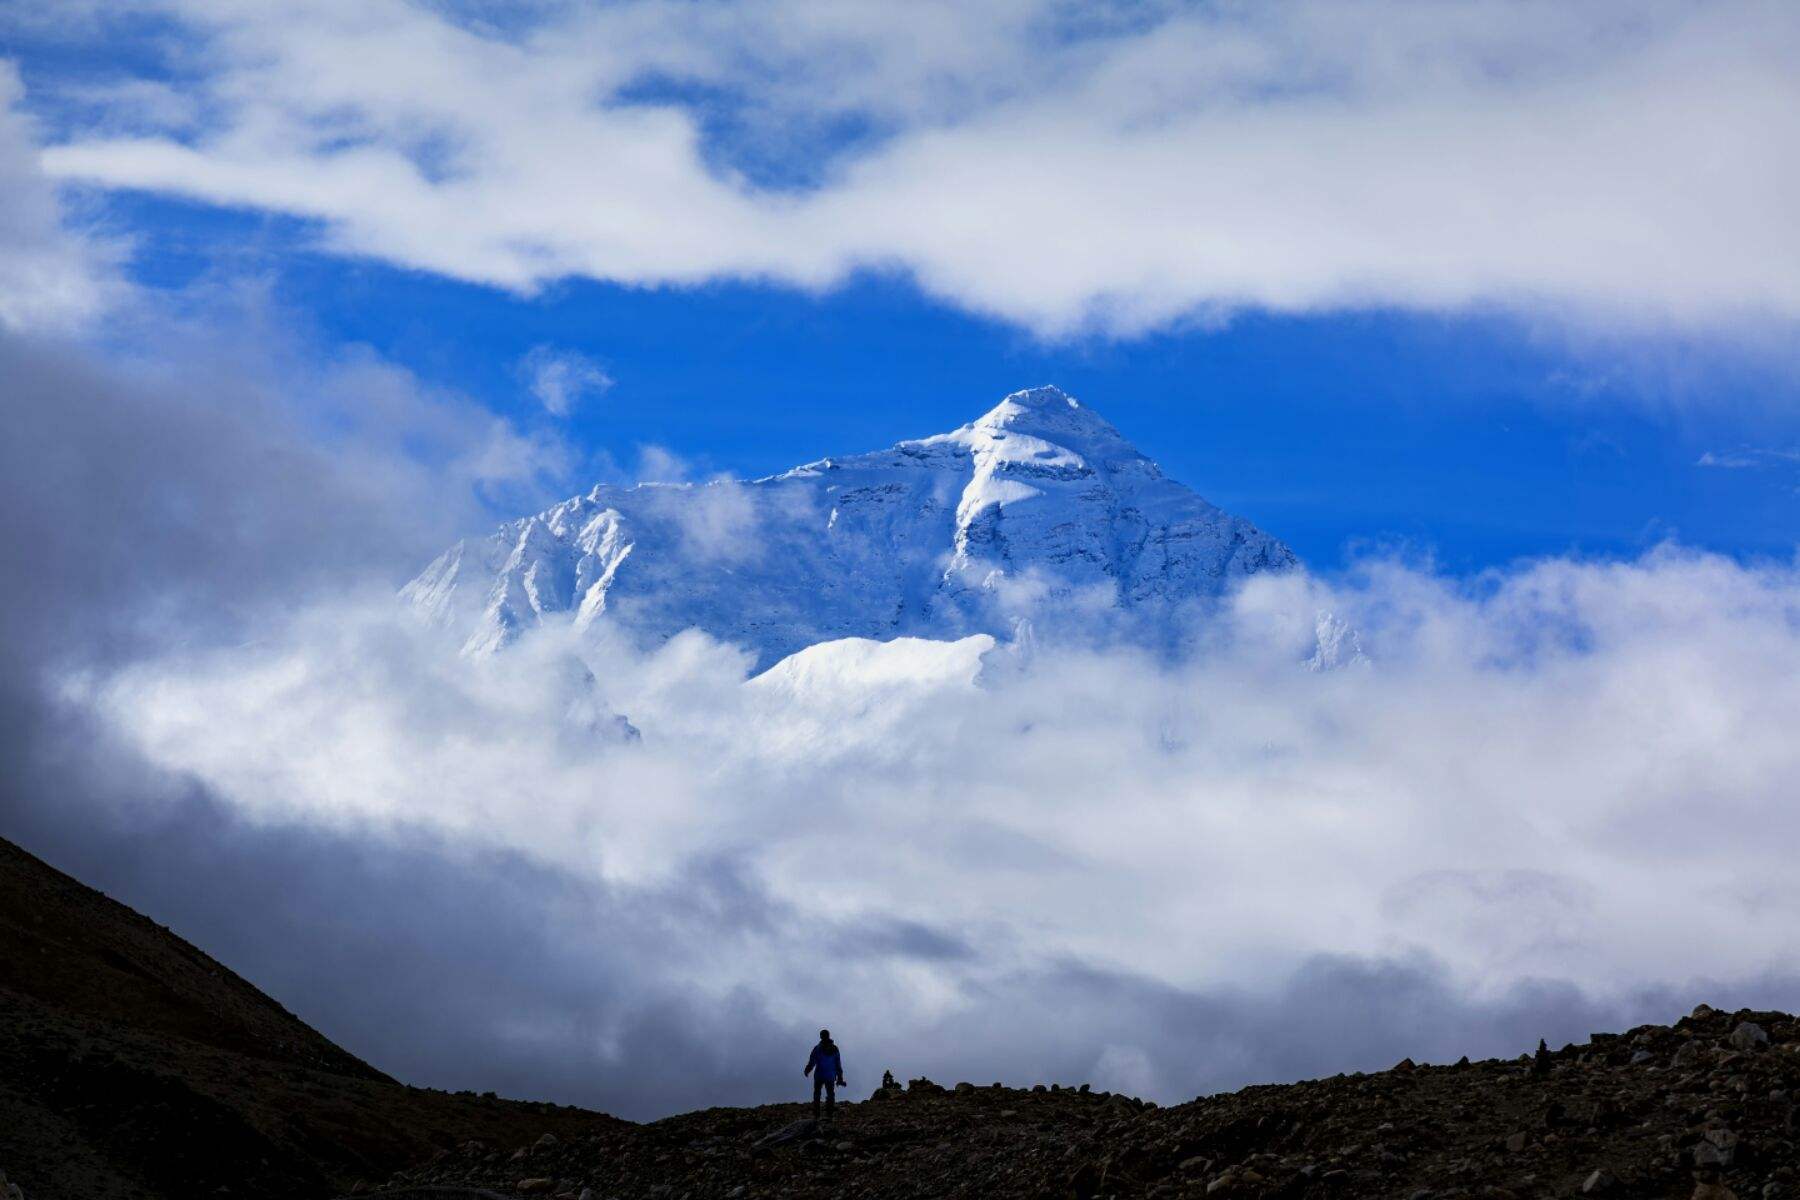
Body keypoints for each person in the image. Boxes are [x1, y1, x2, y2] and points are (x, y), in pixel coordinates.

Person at [804, 1028, 846, 1119]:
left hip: (819, 1075)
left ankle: (817, 1115)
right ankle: (829, 1115)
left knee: (817, 1094)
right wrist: (840, 1078)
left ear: (821, 1036)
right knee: (830, 1094)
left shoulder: (818, 1048)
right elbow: (838, 1064)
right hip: (830, 1076)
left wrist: (807, 1069)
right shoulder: (834, 1049)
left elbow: (812, 1061)